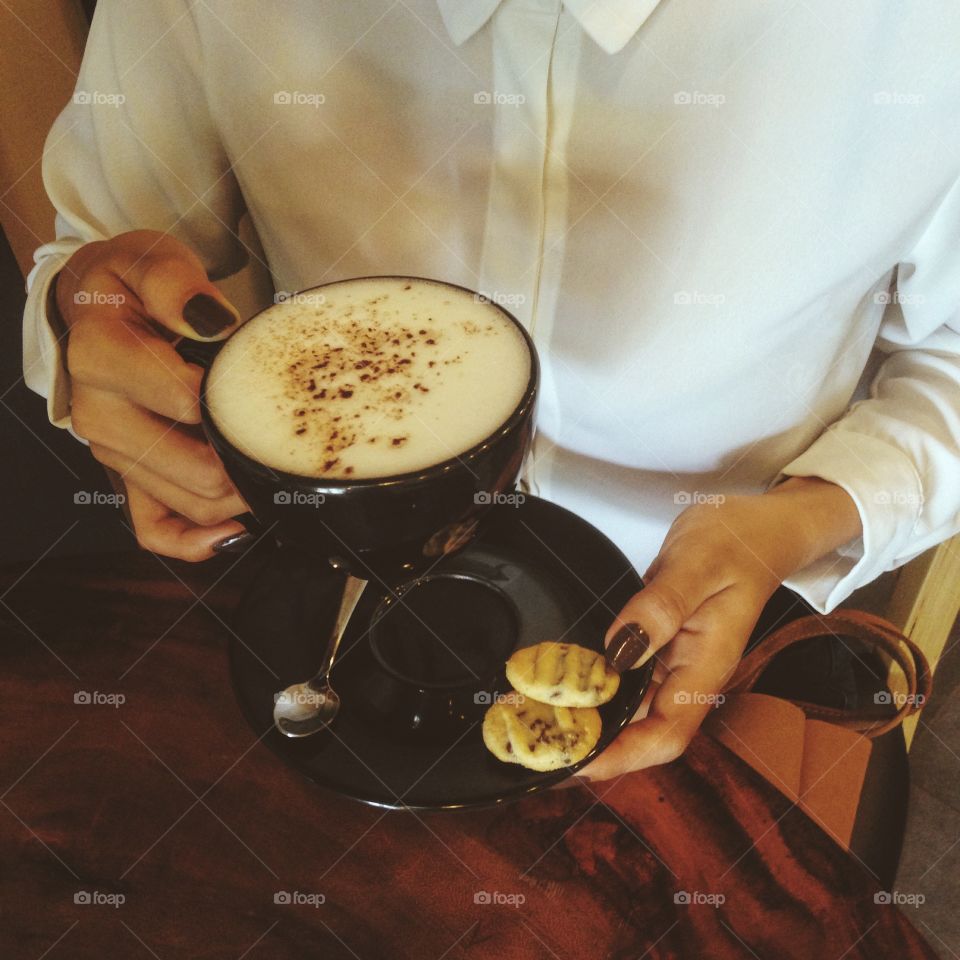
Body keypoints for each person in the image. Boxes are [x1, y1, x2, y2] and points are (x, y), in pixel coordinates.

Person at [23, 0, 960, 782]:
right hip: (309, 573)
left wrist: (805, 519)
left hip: (718, 613)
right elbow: (108, 248)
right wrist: (96, 326)